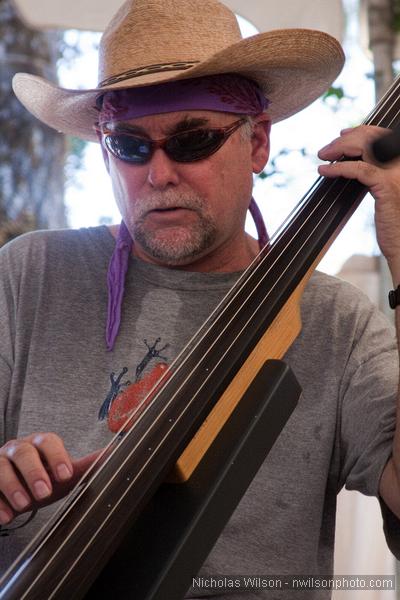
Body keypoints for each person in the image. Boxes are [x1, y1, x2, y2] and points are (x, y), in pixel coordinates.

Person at [1, 0, 400, 597]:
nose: (158, 174)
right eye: (131, 146)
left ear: (258, 143)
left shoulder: (336, 322)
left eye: (191, 141)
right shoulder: (29, 273)